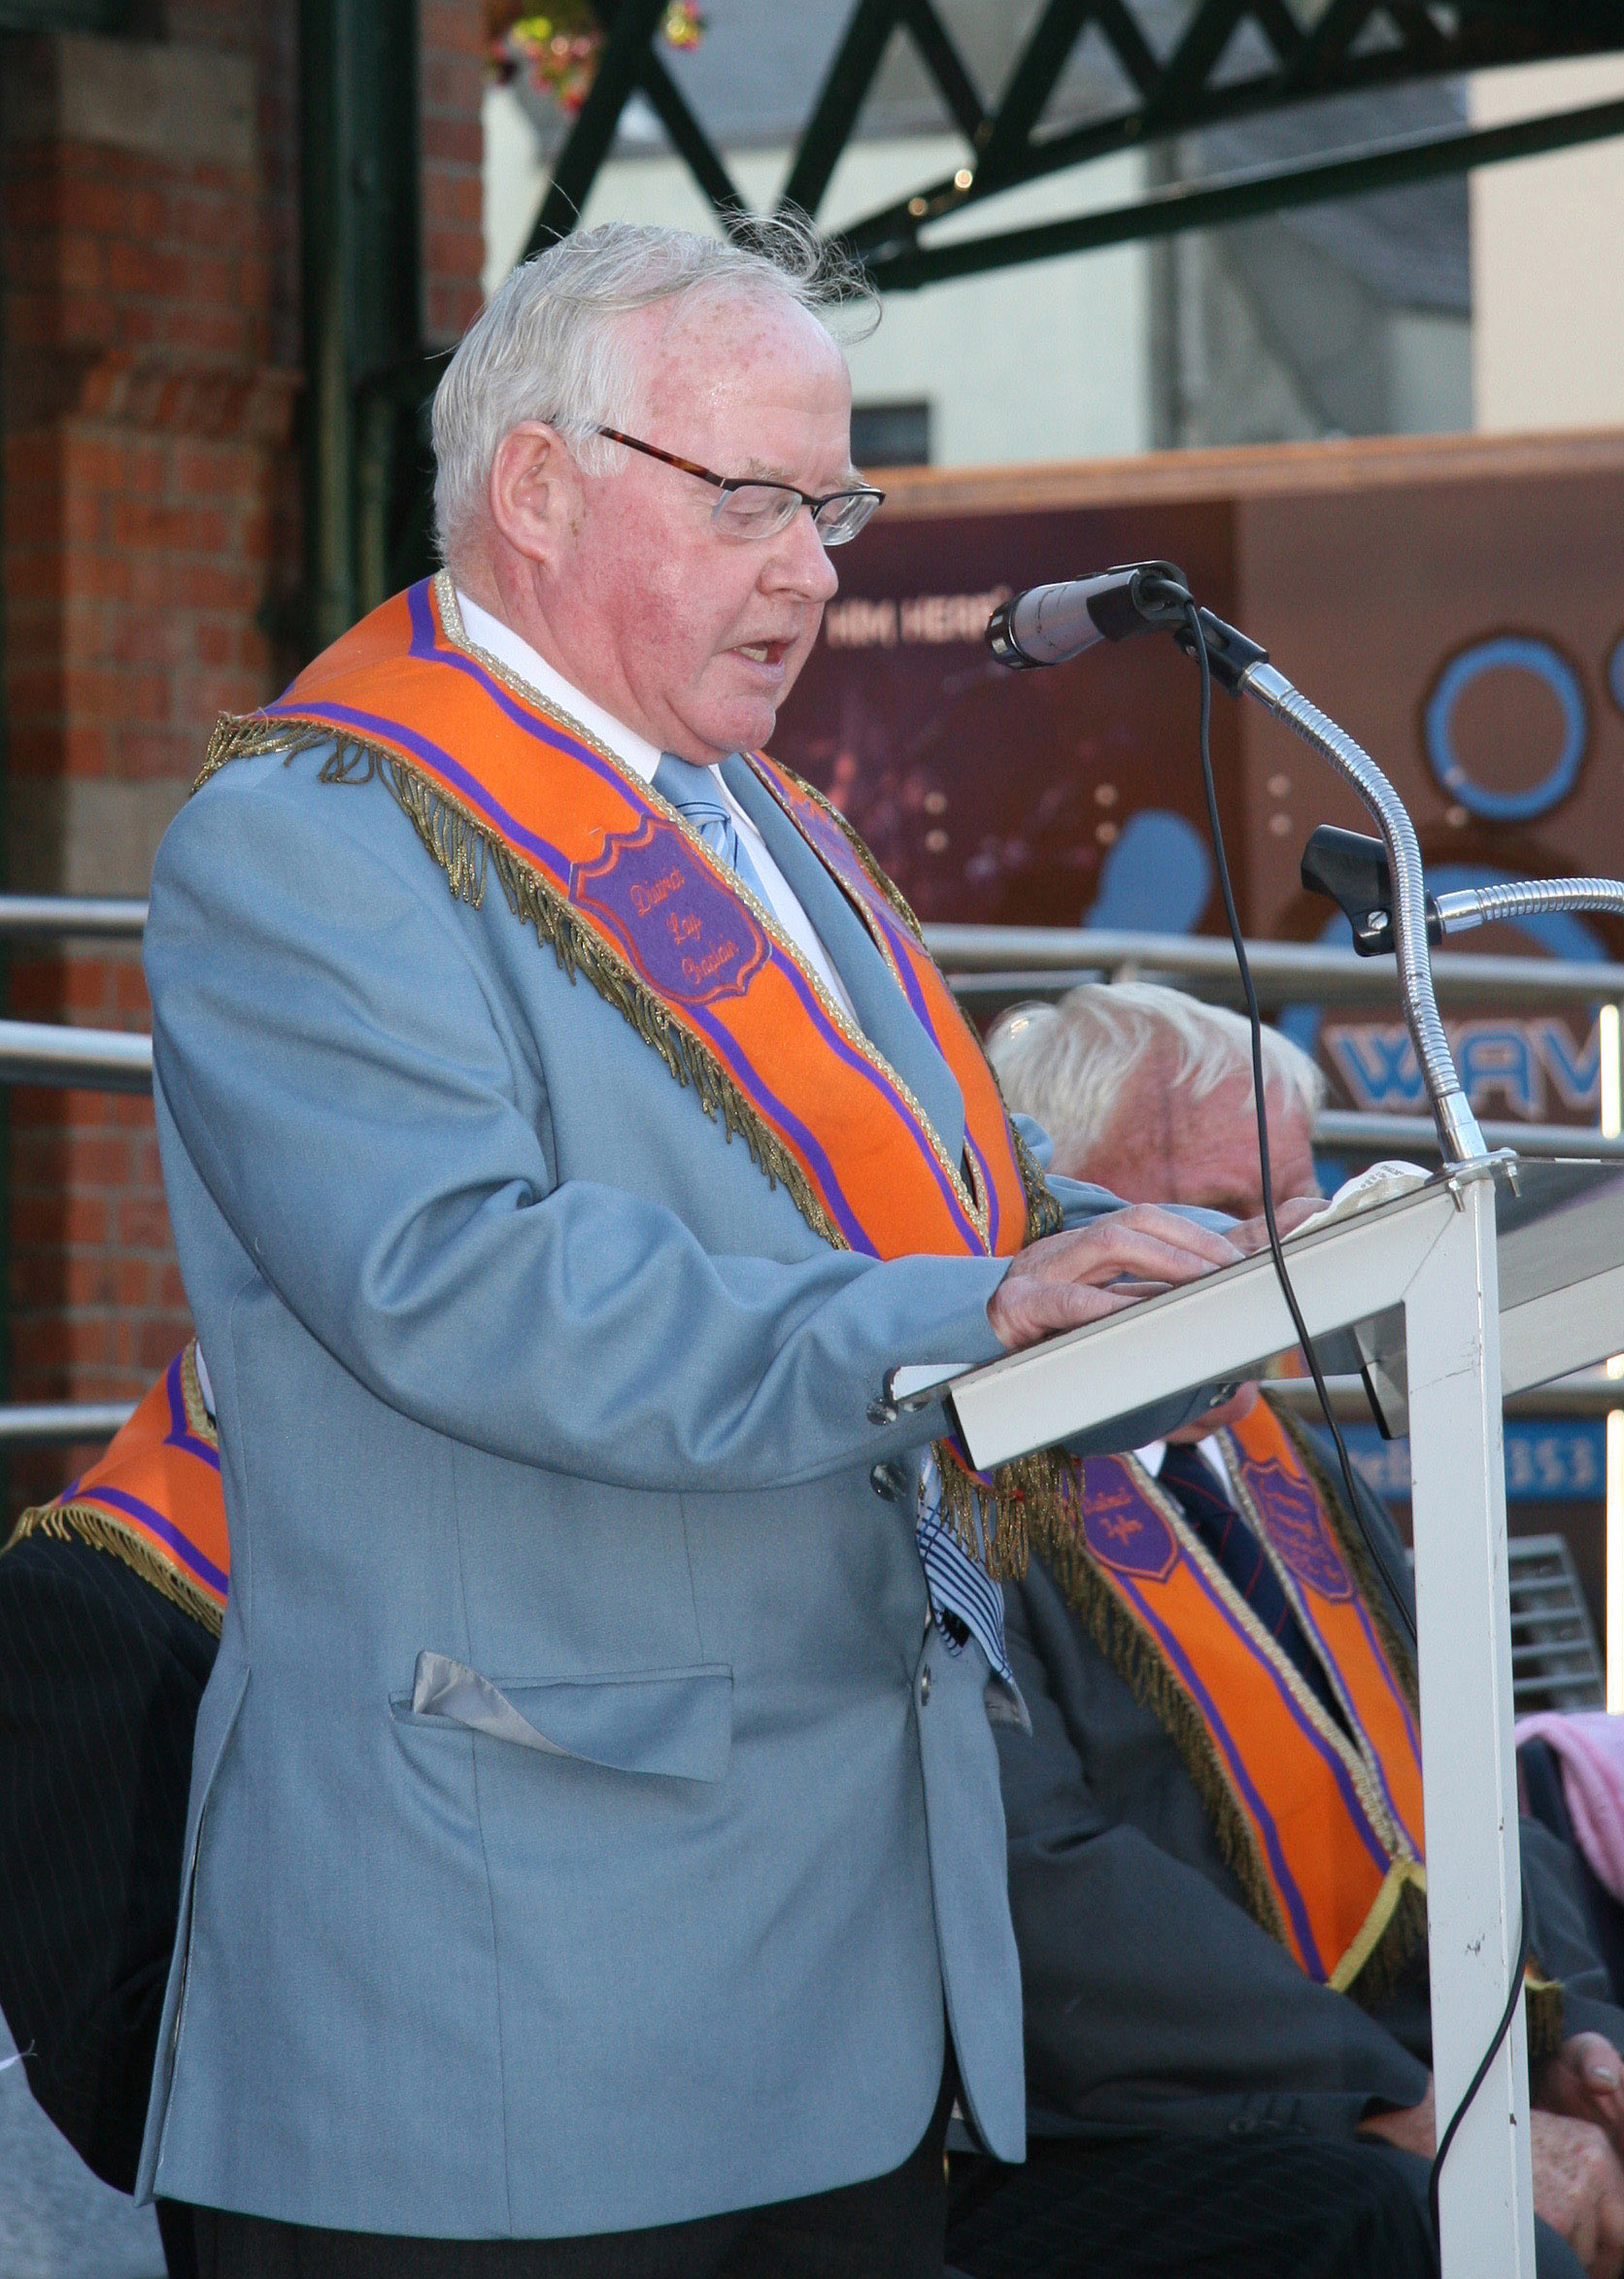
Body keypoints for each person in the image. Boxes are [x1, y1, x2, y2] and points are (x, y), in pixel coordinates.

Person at [133, 222, 1273, 2279]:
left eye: (829, 504)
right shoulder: (309, 840)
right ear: (538, 487)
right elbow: (463, 1285)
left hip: (839, 1995)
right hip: (504, 2031)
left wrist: (1146, 1271)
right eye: (749, 499)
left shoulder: (774, 831)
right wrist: (970, 1311)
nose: (813, 565)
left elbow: (928, 1229)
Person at [949, 980, 1624, 2279]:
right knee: (1404, 2227)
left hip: (1412, 2056)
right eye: (1233, 1206)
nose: (1294, 1248)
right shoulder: (981, 1484)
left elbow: (1468, 1763)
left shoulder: (1283, 1458)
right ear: (1063, 1215)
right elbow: (1048, 1876)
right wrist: (1398, 2100)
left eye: (1299, 1195)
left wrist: (1579, 2028)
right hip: (1168, 2112)